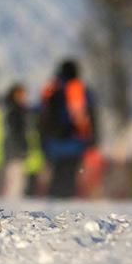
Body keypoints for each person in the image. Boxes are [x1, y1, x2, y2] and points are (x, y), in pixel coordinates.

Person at [39, 59, 98, 198]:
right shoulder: (81, 88)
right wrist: (93, 137)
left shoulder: (51, 88)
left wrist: (42, 137)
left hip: (54, 139)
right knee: (70, 171)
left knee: (57, 170)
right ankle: (66, 200)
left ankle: (53, 198)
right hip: (76, 138)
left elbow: (41, 114)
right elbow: (91, 113)